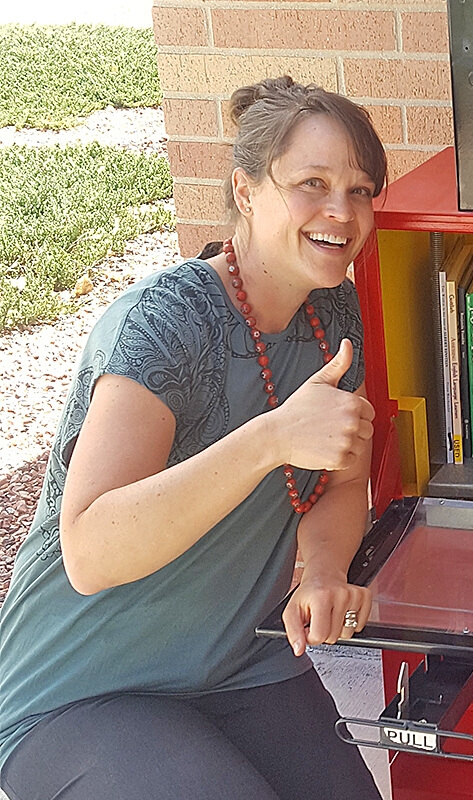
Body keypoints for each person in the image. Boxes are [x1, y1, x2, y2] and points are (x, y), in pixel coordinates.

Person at [0, 76, 389, 800]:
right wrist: (271, 439)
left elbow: (341, 481)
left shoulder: (329, 306)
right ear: (245, 191)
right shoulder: (165, 324)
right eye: (313, 183)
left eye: (362, 189)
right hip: (85, 688)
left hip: (243, 664)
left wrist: (327, 571)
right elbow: (90, 550)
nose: (343, 210)